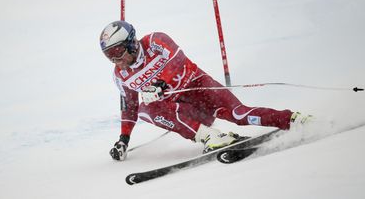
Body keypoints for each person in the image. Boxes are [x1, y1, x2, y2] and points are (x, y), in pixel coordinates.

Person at [100, 20, 312, 161]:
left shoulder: (155, 41)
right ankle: (210, 136)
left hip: (200, 88)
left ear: (131, 43)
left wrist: (160, 84)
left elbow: (177, 58)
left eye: (117, 51)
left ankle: (294, 119)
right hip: (187, 111)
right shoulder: (120, 75)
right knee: (146, 109)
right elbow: (130, 107)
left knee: (239, 114)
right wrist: (124, 139)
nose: (115, 59)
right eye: (109, 55)